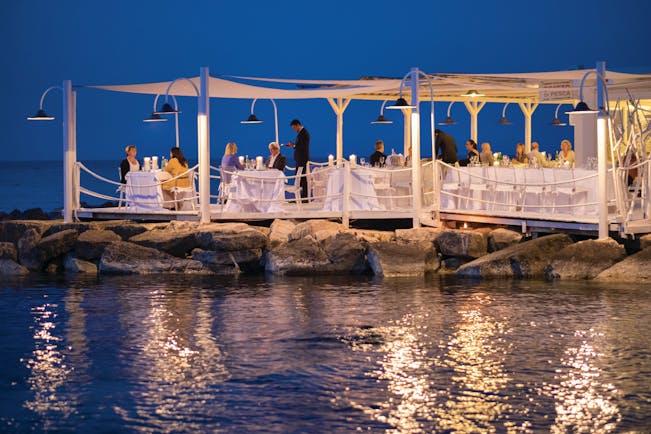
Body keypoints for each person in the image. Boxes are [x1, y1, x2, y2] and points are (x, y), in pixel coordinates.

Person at [285, 119, 310, 200]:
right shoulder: (301, 133)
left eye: (294, 128)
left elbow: (303, 146)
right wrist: (293, 145)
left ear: (298, 125)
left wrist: (294, 146)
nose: (294, 130)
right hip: (299, 159)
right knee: (299, 178)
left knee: (302, 178)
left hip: (302, 159)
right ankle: (301, 197)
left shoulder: (304, 133)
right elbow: (300, 145)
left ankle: (304, 197)